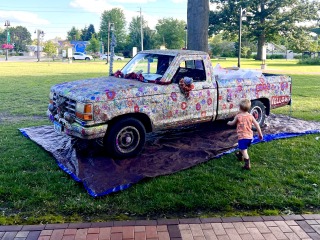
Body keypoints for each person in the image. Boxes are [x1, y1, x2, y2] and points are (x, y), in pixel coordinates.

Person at [227, 99, 263, 170]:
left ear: (240, 108)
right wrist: (260, 134)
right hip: (249, 137)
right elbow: (257, 125)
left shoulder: (238, 116)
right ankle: (240, 156)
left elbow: (232, 123)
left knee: (244, 150)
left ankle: (247, 165)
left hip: (243, 137)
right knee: (242, 147)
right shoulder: (250, 116)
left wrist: (228, 122)